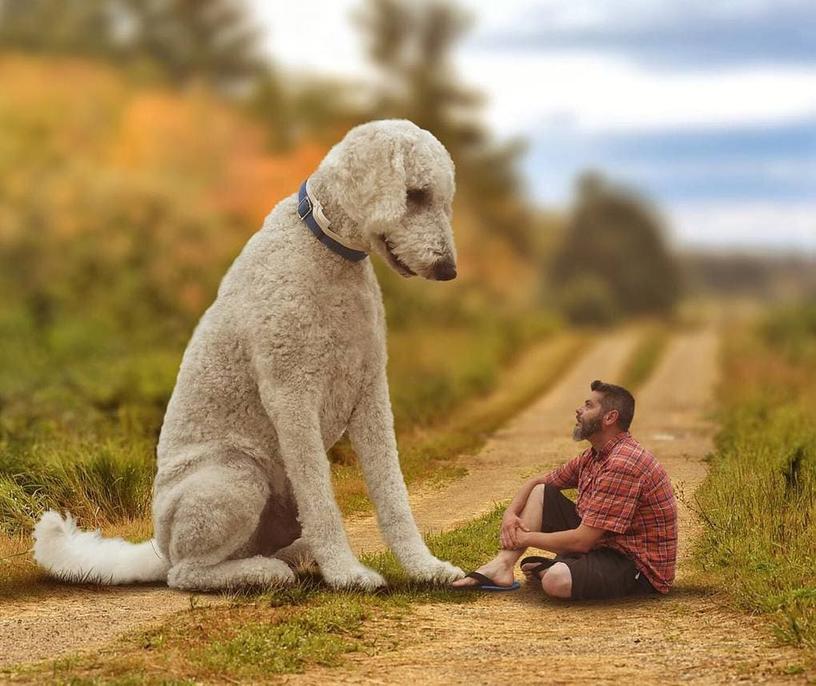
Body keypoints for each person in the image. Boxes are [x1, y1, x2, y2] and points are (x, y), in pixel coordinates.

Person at [451, 380, 677, 600]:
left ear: (610, 417)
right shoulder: (595, 454)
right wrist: (510, 514)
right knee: (541, 492)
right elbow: (538, 482)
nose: (578, 410)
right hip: (607, 544)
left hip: (635, 564)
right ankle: (502, 566)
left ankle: (559, 568)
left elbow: (582, 541)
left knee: (556, 581)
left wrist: (523, 538)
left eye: (589, 405)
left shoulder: (623, 463)